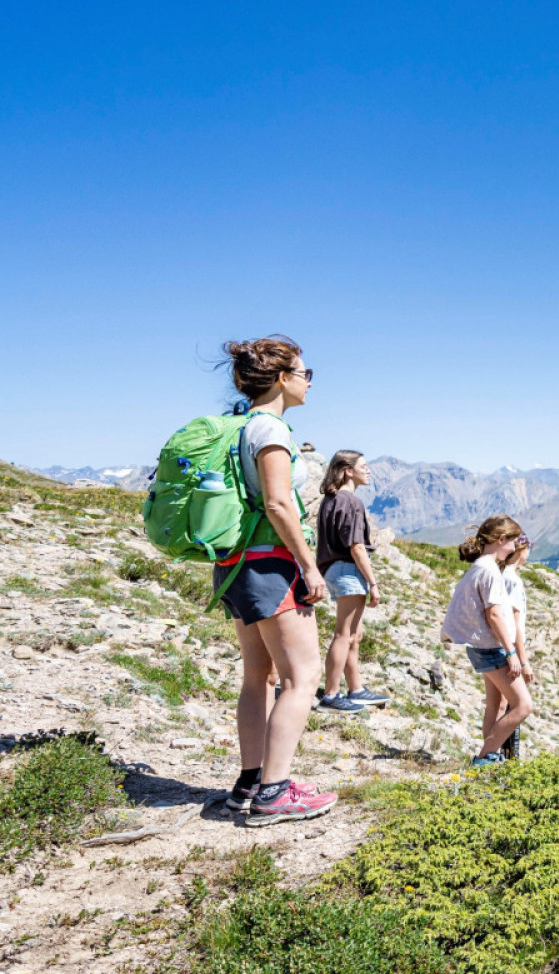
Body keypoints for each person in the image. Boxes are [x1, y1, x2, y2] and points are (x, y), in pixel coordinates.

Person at [214, 335, 337, 825]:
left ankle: (249, 782)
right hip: (272, 564)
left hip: (236, 564)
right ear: (283, 379)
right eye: (306, 373)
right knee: (301, 678)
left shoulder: (238, 427)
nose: (310, 382)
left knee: (257, 678)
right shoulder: (272, 430)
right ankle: (275, 792)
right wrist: (309, 565)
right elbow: (279, 503)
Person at [440, 516, 535, 767]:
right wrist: (511, 653)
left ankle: (491, 755)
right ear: (501, 540)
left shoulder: (481, 566)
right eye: (513, 542)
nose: (515, 548)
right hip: (492, 648)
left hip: (480, 647)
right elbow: (493, 614)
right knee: (523, 705)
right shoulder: (490, 569)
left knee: (495, 704)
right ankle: (484, 757)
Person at [316, 450, 388, 714]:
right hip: (348, 570)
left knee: (353, 635)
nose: (368, 471)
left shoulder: (330, 500)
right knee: (344, 635)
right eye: (364, 467)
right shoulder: (352, 502)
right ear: (348, 470)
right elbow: (356, 546)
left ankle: (356, 689)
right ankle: (331, 695)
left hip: (333, 570)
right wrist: (373, 582)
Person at [494, 536, 533, 759]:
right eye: (528, 549)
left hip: (498, 645)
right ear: (520, 551)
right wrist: (523, 660)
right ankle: (504, 756)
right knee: (514, 705)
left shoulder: (501, 575)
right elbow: (516, 624)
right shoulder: (513, 580)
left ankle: (494, 754)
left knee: (499, 704)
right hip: (509, 649)